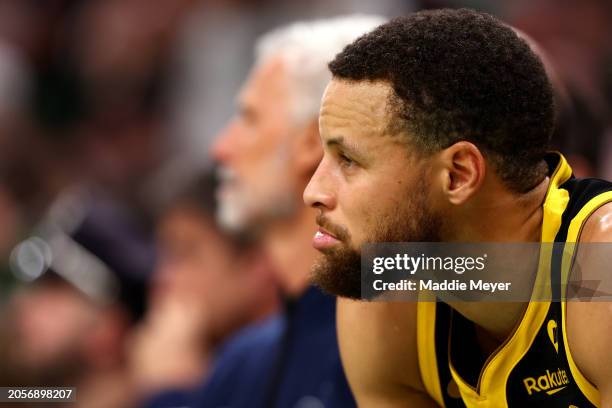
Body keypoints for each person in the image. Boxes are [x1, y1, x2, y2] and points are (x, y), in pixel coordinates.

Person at [304, 9, 612, 407]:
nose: (313, 191)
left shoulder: (600, 271)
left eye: (348, 160)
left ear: (458, 174)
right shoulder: (387, 303)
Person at [144, 15, 386, 408]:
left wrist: (170, 393)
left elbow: (511, 272)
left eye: (249, 119)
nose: (221, 149)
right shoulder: (242, 360)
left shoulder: (394, 340)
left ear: (312, 141)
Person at [130, 173, 278, 397]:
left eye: (184, 254)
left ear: (258, 265)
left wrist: (172, 391)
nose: (161, 278)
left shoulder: (300, 365)